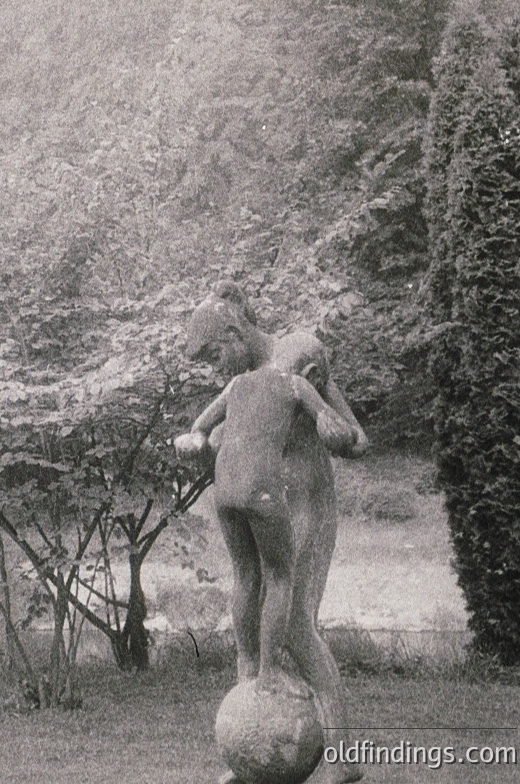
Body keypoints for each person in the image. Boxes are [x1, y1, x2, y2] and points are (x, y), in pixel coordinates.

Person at [181, 282, 367, 784]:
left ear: (237, 332)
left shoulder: (298, 354)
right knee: (251, 604)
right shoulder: (243, 382)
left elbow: (355, 437)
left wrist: (336, 432)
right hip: (261, 502)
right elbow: (228, 434)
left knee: (296, 625)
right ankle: (252, 750)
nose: (216, 367)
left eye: (217, 353)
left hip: (304, 504)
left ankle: (343, 757)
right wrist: (211, 440)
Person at [176, 351, 358, 690]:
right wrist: (343, 433)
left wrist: (198, 441)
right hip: (260, 488)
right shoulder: (296, 385)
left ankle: (246, 663)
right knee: (279, 575)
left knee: (245, 574)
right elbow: (334, 429)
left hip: (225, 488)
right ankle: (269, 672)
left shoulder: (237, 384)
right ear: (307, 369)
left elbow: (198, 429)